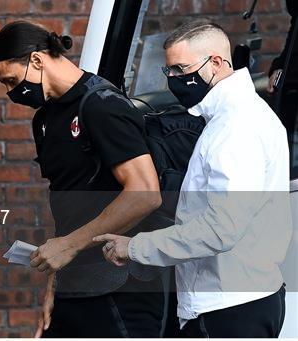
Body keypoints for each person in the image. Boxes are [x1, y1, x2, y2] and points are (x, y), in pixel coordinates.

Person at [94, 20, 292, 338]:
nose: (174, 79)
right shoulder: (235, 117)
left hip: (227, 309)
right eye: (168, 71)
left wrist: (136, 247)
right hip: (235, 301)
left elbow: (220, 230)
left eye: (181, 69)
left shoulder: (235, 128)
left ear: (216, 62)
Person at [0, 21, 165, 338]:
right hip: (75, 287)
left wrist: (69, 246)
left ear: (38, 60)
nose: (11, 92)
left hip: (120, 287)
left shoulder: (103, 105)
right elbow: (68, 210)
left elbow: (145, 193)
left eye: (12, 81)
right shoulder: (45, 119)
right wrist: (54, 284)